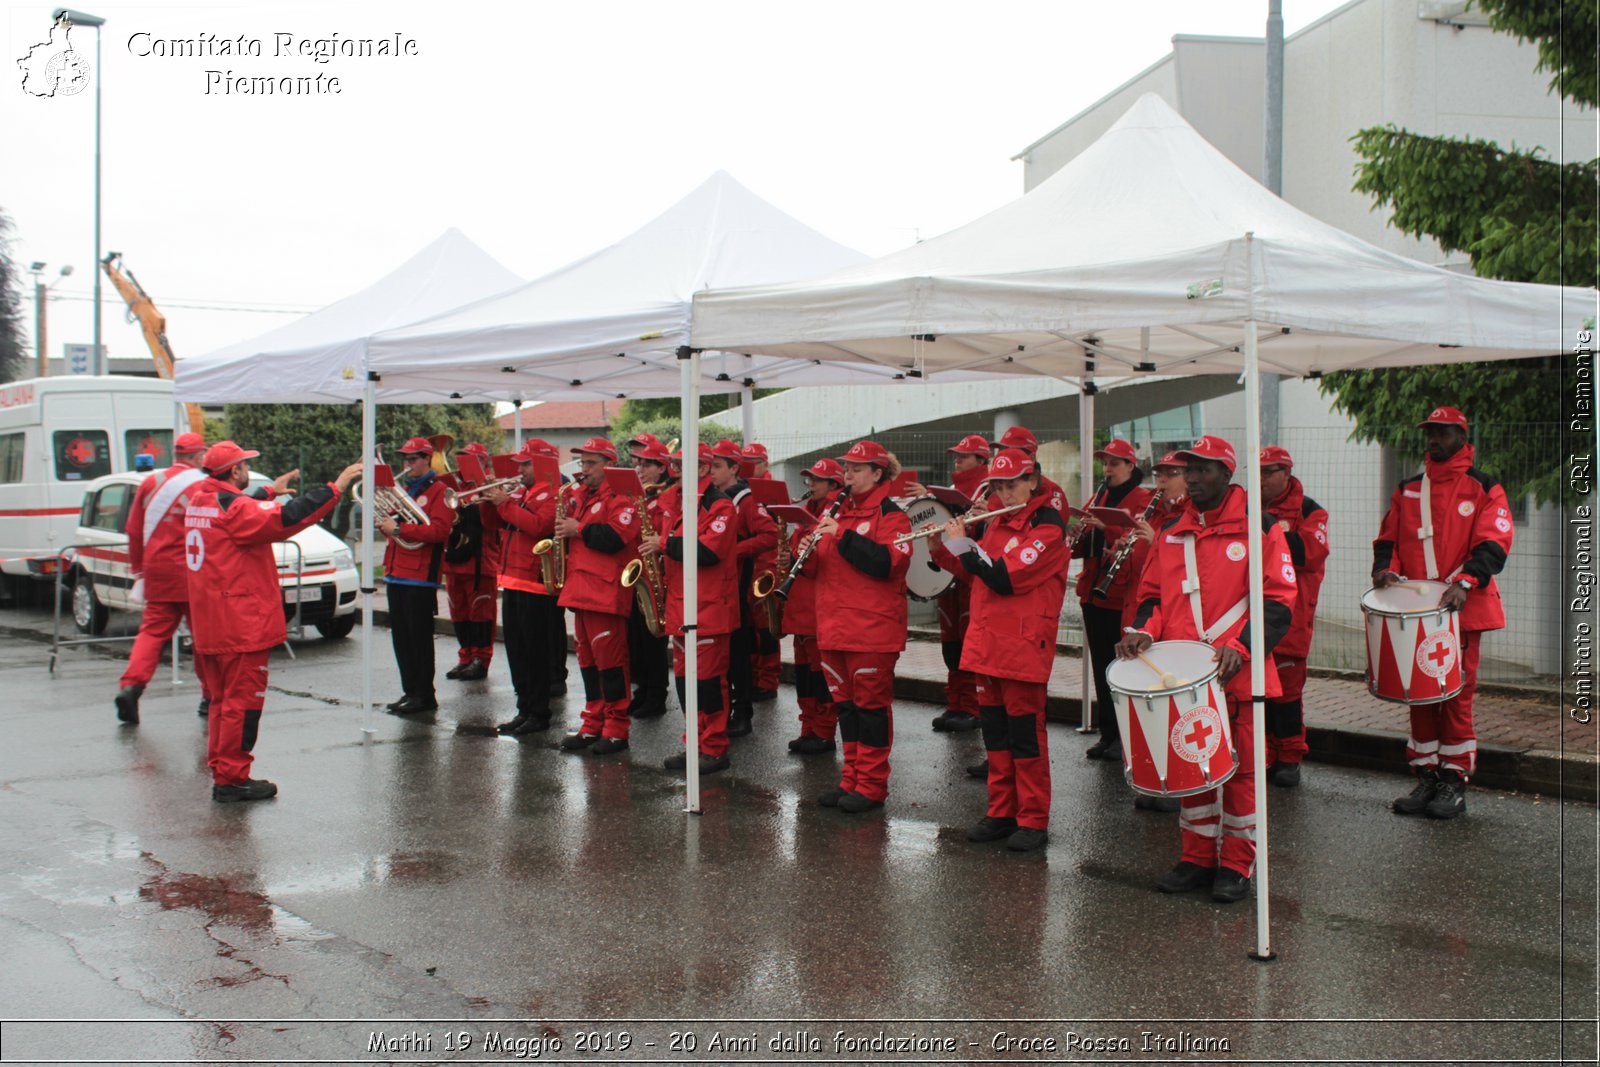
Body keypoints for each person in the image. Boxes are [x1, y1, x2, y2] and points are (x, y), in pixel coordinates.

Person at [1117, 435, 1297, 903]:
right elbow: (1153, 596)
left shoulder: (1263, 529)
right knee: (1192, 765)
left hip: (1239, 673)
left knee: (1240, 773)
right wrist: (1142, 630)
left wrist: (1242, 646)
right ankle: (1196, 858)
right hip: (1183, 675)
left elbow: (1278, 602)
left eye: (1203, 470)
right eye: (1188, 470)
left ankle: (1237, 864)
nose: (1192, 478)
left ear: (1227, 473)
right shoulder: (1174, 531)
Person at [184, 442, 362, 802]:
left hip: (211, 620)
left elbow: (238, 507)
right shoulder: (233, 509)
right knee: (242, 704)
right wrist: (336, 486)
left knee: (221, 702)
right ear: (234, 472)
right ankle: (232, 778)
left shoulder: (200, 500)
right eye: (245, 466)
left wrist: (267, 490)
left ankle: (223, 769)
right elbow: (285, 518)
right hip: (240, 623)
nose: (248, 470)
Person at [1374, 406, 1513, 820]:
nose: (1433, 439)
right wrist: (1384, 569)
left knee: (1455, 695)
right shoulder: (1409, 488)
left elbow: (1496, 541)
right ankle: (1426, 775)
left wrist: (1466, 581)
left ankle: (1454, 779)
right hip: (1417, 612)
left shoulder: (1484, 487)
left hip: (1461, 610)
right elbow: (1388, 537)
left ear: (1461, 436)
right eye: (1430, 433)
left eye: (1442, 432)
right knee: (1420, 694)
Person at [935, 448, 1070, 852]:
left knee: (1025, 739)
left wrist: (965, 548)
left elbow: (1005, 577)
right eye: (998, 486)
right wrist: (943, 545)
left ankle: (1032, 819)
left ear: (1033, 480)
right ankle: (1001, 812)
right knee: (995, 737)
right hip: (988, 643)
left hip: (1023, 647)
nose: (1005, 493)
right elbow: (969, 573)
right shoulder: (997, 521)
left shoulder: (1048, 528)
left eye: (1012, 485)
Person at [804, 440, 912, 813]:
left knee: (870, 710)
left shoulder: (892, 515)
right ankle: (850, 778)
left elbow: (887, 564)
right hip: (833, 627)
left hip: (871, 630)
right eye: (846, 468)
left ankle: (871, 785)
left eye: (856, 468)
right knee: (846, 709)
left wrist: (843, 536)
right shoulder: (835, 513)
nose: (846, 474)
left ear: (878, 473)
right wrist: (803, 555)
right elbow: (821, 568)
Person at [641, 448, 740, 775]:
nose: (676, 471)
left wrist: (664, 545)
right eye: (675, 465)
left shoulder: (720, 505)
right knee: (685, 682)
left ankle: (714, 748)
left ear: (703, 468)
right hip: (681, 605)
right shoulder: (673, 500)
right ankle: (693, 743)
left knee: (709, 684)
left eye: (682, 466)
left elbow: (710, 551)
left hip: (709, 608)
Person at [114, 432, 220, 724]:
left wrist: (139, 569)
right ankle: (209, 697)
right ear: (199, 457)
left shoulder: (151, 482)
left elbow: (134, 530)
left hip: (158, 569)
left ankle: (131, 686)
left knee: (151, 633)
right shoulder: (204, 485)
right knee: (203, 638)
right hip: (194, 570)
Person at [556, 437, 641, 756]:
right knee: (589, 662)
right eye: (582, 463)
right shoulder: (579, 494)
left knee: (611, 664)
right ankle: (593, 722)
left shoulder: (622, 496)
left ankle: (617, 728)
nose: (584, 469)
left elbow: (616, 538)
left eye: (591, 463)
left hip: (605, 591)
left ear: (608, 464)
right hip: (581, 589)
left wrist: (578, 528)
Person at [1119, 449, 1190, 813]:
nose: (1160, 482)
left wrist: (1150, 541)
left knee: (1180, 708)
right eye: (1159, 475)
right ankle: (1159, 778)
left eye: (1169, 475)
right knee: (1153, 701)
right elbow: (1149, 578)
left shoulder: (1188, 515)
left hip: (1183, 624)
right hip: (1152, 617)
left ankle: (1180, 783)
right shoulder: (1161, 513)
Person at [1077, 438, 1155, 763]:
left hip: (1119, 596)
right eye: (1105, 463)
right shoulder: (1100, 494)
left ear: (1130, 466)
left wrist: (1105, 527)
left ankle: (1124, 738)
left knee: (1120, 671)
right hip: (1093, 592)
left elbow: (1136, 541)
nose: (1107, 469)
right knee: (1100, 668)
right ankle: (1107, 733)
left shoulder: (1144, 499)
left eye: (1114, 463)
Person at [1259, 446, 1330, 788]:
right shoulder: (1246, 508)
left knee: (1287, 695)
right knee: (1258, 691)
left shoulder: (1310, 511)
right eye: (1257, 472)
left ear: (1287, 473)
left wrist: (1267, 529)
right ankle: (1265, 753)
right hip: (1252, 615)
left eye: (1269, 472)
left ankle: (1289, 757)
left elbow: (1309, 553)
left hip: (1290, 616)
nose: (1261, 479)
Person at [480, 439, 562, 736]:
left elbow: (538, 526)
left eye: (526, 464)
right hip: (512, 580)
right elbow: (494, 525)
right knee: (516, 651)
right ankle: (523, 708)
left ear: (543, 464)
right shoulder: (521, 493)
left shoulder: (554, 495)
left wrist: (504, 502)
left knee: (535, 652)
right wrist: (488, 502)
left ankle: (539, 712)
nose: (520, 469)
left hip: (535, 584)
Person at [706, 439, 777, 739]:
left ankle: (742, 712)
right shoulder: (709, 497)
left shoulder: (747, 499)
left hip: (737, 591)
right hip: (715, 589)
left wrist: (731, 550)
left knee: (738, 655)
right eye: (709, 464)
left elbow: (769, 535)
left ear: (735, 469)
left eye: (718, 466)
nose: (711, 471)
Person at [379, 437, 456, 714]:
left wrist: (399, 530)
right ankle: (409, 690)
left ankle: (424, 694)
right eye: (405, 459)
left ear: (427, 459)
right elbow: (390, 523)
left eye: (413, 459)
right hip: (396, 571)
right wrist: (385, 525)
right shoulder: (403, 490)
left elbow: (438, 531)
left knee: (419, 638)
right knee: (401, 637)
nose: (408, 464)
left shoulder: (441, 492)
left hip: (420, 576)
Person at [922, 434, 990, 733]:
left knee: (968, 640)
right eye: (957, 455)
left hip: (971, 574)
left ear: (981, 460)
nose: (957, 459)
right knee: (951, 642)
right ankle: (956, 703)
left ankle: (972, 706)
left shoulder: (988, 488)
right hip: (949, 572)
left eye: (965, 456)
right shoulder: (948, 489)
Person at [783, 458, 845, 754]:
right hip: (801, 605)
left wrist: (798, 551)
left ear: (834, 484)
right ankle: (808, 727)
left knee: (820, 673)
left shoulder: (836, 513)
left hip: (815, 605)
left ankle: (823, 731)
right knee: (805, 673)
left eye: (817, 481)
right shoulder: (809, 511)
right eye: (809, 479)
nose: (810, 485)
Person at [626, 441, 676, 719]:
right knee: (636, 638)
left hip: (657, 571)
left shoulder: (667, 496)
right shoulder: (642, 494)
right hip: (639, 572)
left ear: (661, 467)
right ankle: (642, 690)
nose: (640, 469)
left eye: (646, 464)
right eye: (638, 463)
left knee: (652, 639)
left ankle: (656, 694)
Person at [441, 442, 499, 682]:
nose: (461, 463)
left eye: (469, 459)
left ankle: (481, 659)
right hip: (455, 559)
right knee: (459, 612)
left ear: (483, 462)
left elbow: (491, 521)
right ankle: (465, 657)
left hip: (480, 562)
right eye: (461, 458)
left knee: (481, 613)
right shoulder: (455, 486)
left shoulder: (490, 486)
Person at [743, 442, 781, 701]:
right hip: (751, 565)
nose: (749, 466)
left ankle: (768, 679)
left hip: (767, 565)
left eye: (754, 461)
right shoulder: (742, 489)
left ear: (765, 464)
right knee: (750, 627)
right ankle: (755, 677)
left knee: (766, 626)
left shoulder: (771, 490)